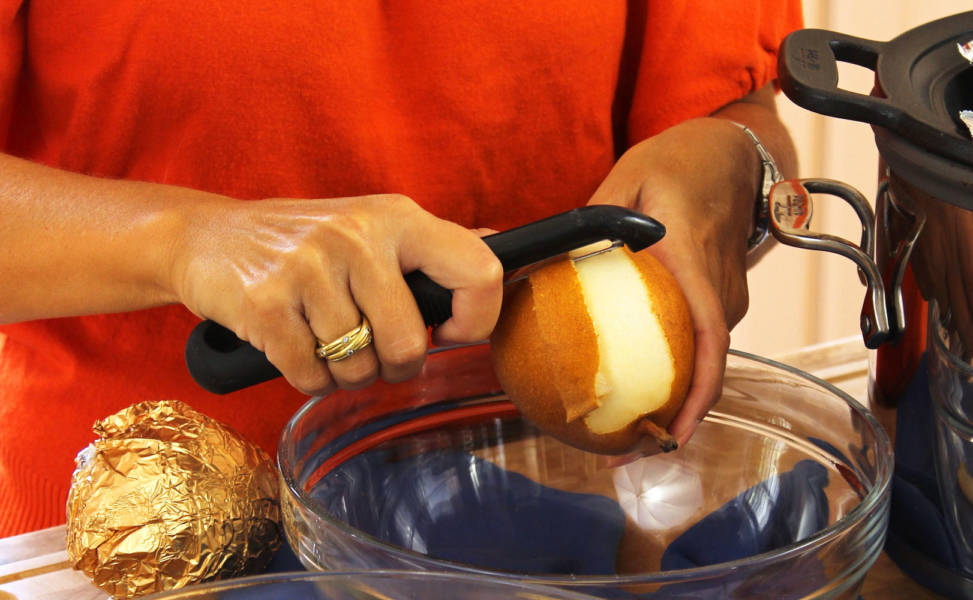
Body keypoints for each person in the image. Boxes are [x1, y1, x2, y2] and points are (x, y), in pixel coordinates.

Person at [0, 1, 801, 538]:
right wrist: (179, 240)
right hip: (139, 545)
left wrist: (734, 163)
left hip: (557, 521)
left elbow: (731, 104)